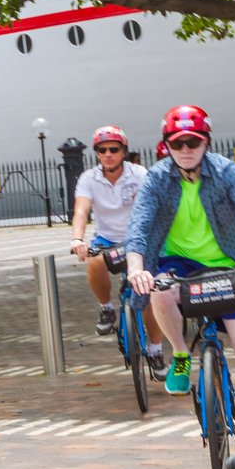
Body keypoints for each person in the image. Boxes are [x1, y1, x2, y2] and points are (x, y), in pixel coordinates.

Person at [125, 105, 235, 436]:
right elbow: (139, 224)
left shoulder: (226, 172)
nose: (185, 150)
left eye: (192, 142)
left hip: (228, 262)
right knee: (160, 291)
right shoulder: (156, 178)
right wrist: (137, 267)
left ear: (206, 142)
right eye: (177, 144)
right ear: (166, 146)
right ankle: (180, 353)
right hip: (176, 261)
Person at [69, 126, 164, 368]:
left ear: (124, 151)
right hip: (106, 239)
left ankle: (156, 350)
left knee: (146, 295)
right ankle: (107, 308)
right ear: (97, 153)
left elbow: (154, 207)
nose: (108, 154)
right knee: (94, 261)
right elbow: (81, 211)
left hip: (138, 238)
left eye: (114, 149)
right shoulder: (89, 179)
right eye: (102, 150)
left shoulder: (139, 174)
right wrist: (77, 239)